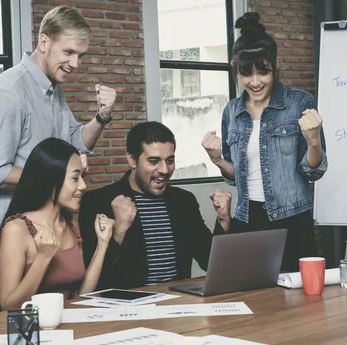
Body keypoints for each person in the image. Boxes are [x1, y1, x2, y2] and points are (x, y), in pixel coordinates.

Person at [0, 5, 117, 246]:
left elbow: (75, 140)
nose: (75, 64)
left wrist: (102, 117)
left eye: (80, 55)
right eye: (69, 52)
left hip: (51, 231)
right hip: (16, 239)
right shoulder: (8, 93)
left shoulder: (52, 88)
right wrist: (59, 176)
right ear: (44, 42)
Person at [201, 12, 328, 272]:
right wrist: (217, 160)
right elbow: (237, 176)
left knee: (300, 304)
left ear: (276, 65)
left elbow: (312, 171)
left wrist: (314, 142)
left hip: (292, 221)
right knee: (255, 300)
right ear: (235, 68)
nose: (255, 82)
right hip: (247, 221)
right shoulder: (231, 112)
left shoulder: (299, 103)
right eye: (246, 73)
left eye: (264, 72)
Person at [79, 121, 232, 289]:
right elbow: (96, 284)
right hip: (127, 308)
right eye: (154, 161)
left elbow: (208, 262)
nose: (164, 170)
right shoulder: (98, 202)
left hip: (178, 304)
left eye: (170, 160)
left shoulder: (184, 201)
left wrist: (223, 220)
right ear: (132, 160)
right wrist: (118, 232)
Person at [0, 138, 114, 310]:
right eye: (75, 178)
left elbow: (80, 297)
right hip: (34, 331)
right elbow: (9, 307)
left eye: (82, 177)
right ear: (51, 181)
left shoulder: (70, 222)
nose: (83, 185)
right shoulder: (16, 229)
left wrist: (102, 244)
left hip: (70, 326)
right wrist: (43, 257)